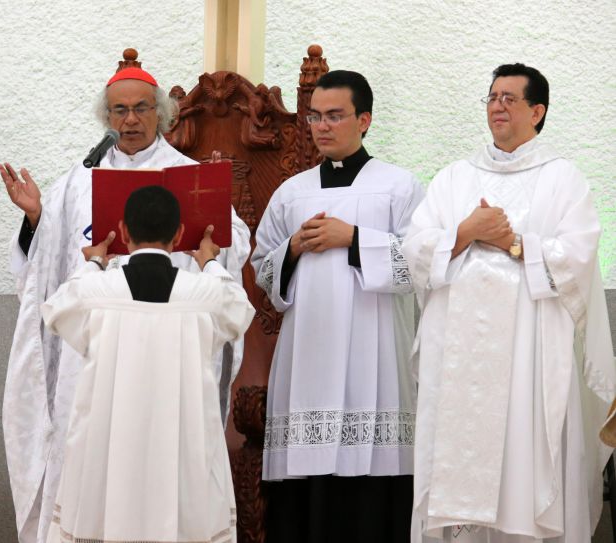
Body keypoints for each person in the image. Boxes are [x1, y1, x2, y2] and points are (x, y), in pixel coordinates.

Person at [0, 65, 251, 541]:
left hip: (172, 343)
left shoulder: (191, 174)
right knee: (96, 444)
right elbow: (48, 266)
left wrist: (207, 249)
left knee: (166, 448)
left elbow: (234, 240)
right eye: (120, 110)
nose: (131, 120)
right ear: (107, 116)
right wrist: (36, 217)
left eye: (141, 109)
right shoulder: (77, 183)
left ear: (161, 114)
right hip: (100, 349)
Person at [404, 63, 615, 542]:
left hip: (528, 351)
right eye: (492, 97)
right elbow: (416, 248)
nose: (497, 106)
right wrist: (465, 233)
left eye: (509, 99)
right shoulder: (455, 177)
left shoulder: (563, 179)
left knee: (522, 458)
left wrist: (514, 243)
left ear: (537, 111)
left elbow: (579, 256)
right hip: (458, 353)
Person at [251, 70, 425, 542]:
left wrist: (354, 241)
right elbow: (261, 267)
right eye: (315, 117)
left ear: (364, 119)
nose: (322, 127)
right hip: (307, 353)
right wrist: (292, 249)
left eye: (335, 116)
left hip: (376, 357)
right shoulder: (292, 192)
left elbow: (421, 265)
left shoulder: (400, 186)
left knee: (369, 495)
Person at [41, 185, 253, 543]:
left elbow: (58, 308)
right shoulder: (202, 293)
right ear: (180, 234)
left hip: (110, 442)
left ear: (123, 232)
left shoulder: (96, 292)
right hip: (182, 442)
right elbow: (239, 308)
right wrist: (210, 262)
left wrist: (93, 263)